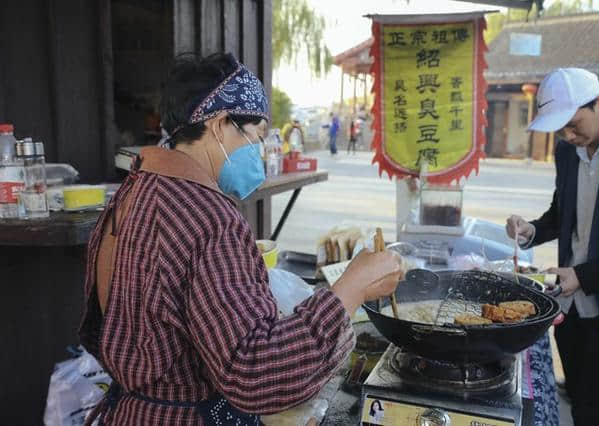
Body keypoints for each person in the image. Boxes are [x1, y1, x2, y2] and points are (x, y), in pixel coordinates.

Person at [78, 52, 402, 425]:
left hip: (132, 413)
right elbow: (255, 371)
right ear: (218, 124)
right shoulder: (208, 216)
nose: (260, 151)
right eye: (256, 135)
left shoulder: (133, 191)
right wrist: (353, 286)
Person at [505, 68, 599, 426]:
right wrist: (531, 230)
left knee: (595, 412)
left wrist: (583, 275)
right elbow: (563, 212)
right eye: (559, 128)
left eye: (573, 124)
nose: (567, 135)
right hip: (572, 307)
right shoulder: (567, 152)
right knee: (582, 397)